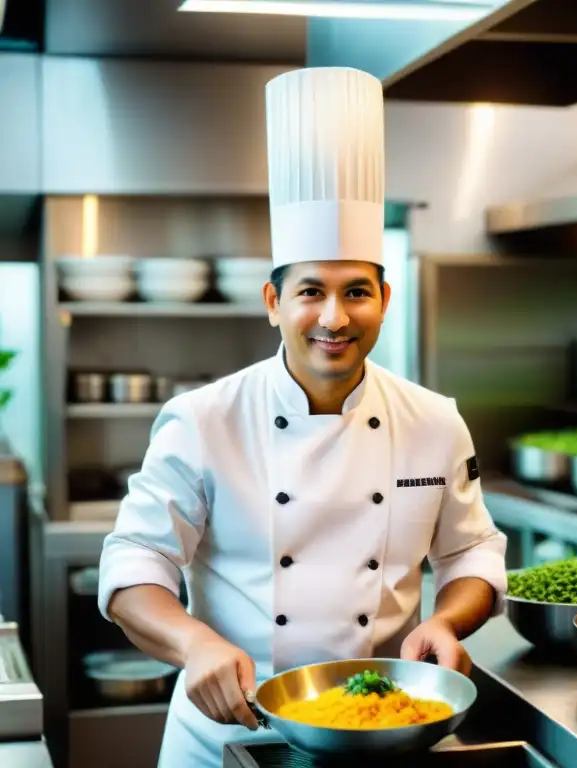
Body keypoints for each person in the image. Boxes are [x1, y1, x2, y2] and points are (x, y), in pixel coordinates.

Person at [96, 67, 508, 768]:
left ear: (385, 299)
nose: (334, 318)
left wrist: (446, 620)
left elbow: (470, 553)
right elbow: (135, 562)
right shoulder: (203, 420)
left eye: (357, 292)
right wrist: (195, 643)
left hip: (384, 730)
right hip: (229, 732)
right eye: (311, 291)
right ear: (273, 303)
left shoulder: (434, 421)